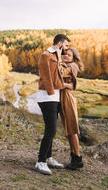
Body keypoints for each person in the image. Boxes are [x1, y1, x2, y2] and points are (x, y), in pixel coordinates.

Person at [34, 34, 69, 175]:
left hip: (55, 98)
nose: (67, 48)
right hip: (47, 97)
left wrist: (60, 59)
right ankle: (40, 162)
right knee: (51, 131)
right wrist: (50, 92)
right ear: (60, 43)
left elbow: (58, 74)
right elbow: (46, 75)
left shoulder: (57, 56)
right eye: (66, 45)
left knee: (51, 130)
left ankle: (48, 158)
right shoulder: (46, 55)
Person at [59, 47, 84, 170]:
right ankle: (74, 157)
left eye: (69, 55)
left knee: (72, 129)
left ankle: (77, 158)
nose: (66, 56)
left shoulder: (72, 66)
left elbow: (61, 76)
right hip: (62, 97)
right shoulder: (65, 64)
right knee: (68, 130)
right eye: (65, 54)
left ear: (74, 58)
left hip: (67, 98)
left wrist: (62, 85)